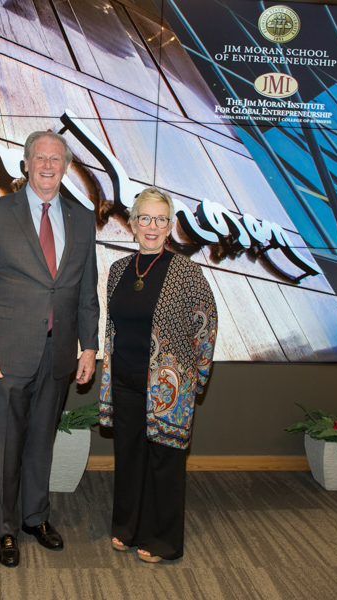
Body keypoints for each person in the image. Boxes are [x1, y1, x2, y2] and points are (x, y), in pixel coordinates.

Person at [0, 130, 99, 567]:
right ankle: (4, 529)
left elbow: (85, 291)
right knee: (6, 445)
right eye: (39, 157)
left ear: (65, 166)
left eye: (55, 159)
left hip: (59, 352)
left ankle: (35, 517)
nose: (47, 165)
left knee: (42, 440)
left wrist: (89, 346)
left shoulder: (82, 219)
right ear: (25, 164)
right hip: (5, 354)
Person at [98, 187, 217, 563]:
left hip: (169, 387)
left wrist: (195, 379)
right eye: (144, 218)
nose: (152, 226)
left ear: (170, 227)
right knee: (129, 456)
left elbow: (206, 326)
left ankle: (164, 540)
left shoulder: (185, 271)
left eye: (160, 220)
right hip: (124, 381)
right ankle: (127, 527)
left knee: (164, 464)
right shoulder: (118, 269)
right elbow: (112, 328)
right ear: (132, 225)